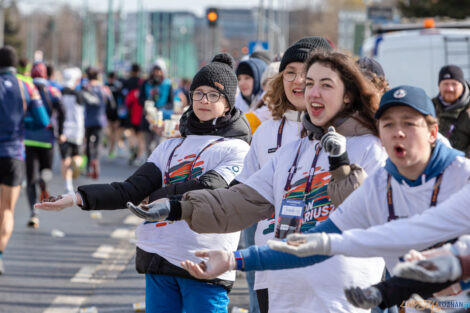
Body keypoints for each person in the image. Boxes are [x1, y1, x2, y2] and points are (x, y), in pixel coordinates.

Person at [129, 51, 388, 313]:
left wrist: (340, 163)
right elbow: (239, 202)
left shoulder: (372, 148)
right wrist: (178, 208)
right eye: (309, 84)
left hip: (338, 300)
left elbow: (366, 217)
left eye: (326, 85)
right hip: (283, 295)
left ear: (348, 94)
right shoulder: (291, 153)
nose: (312, 93)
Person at [35, 53, 251, 313]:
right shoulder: (170, 146)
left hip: (205, 261)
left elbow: (209, 187)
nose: (204, 100)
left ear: (228, 103)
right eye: (199, 93)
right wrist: (76, 198)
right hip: (159, 257)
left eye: (214, 95)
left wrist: (157, 196)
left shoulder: (237, 148)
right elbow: (131, 190)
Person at [235, 36, 333, 313]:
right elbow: (243, 193)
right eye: (290, 73)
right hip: (273, 262)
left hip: (326, 265)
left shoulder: (350, 133)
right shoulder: (265, 130)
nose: (298, 80)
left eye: (306, 73)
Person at [0, 46, 49, 274]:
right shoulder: (25, 86)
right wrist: (21, 123)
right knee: (7, 210)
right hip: (13, 155)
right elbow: (42, 120)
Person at [24, 62, 65, 228]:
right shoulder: (53, 90)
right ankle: (43, 182)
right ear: (46, 75)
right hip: (47, 139)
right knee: (45, 171)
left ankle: (33, 212)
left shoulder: (26, 88)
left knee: (30, 177)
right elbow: (62, 110)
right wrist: (61, 131)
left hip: (27, 138)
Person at [82, 66, 114, 179]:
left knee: (87, 144)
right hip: (100, 119)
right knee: (97, 144)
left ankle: (88, 167)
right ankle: (96, 161)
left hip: (87, 119)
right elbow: (112, 104)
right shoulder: (104, 88)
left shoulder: (85, 87)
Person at [432, 65, 470, 156]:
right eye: (446, 84)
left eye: (454, 84)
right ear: (439, 86)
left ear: (462, 86)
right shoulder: (430, 108)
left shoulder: (468, 111)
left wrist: (455, 159)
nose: (450, 89)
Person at [60, 67, 85, 194]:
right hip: (77, 130)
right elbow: (81, 114)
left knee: (65, 158)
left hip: (63, 130)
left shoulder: (59, 93)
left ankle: (68, 185)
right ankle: (76, 164)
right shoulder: (79, 95)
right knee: (77, 156)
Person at [105, 71, 123, 159]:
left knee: (113, 131)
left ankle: (111, 149)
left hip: (113, 112)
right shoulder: (116, 86)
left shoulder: (106, 86)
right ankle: (111, 148)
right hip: (111, 112)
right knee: (111, 132)